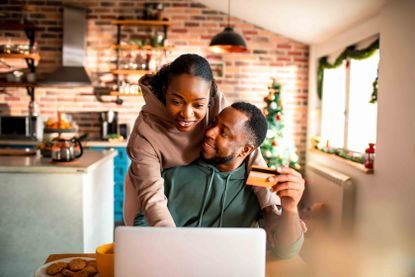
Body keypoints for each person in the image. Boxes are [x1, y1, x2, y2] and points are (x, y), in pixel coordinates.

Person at [124, 54, 279, 227]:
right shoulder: (144, 134)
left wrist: (271, 206)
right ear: (165, 89)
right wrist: (169, 239)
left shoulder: (215, 103)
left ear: (209, 97)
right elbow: (152, 199)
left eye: (198, 105)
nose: (186, 114)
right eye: (176, 101)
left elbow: (249, 150)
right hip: (147, 196)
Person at [135, 102, 306, 258]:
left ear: (245, 150)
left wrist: (290, 208)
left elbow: (286, 251)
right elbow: (142, 227)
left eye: (223, 132)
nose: (209, 133)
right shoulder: (174, 172)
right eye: (213, 123)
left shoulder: (260, 183)